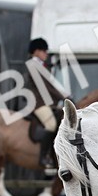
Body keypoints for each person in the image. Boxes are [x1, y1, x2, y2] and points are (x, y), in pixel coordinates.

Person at [23, 37, 64, 170]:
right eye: (43, 51)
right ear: (36, 51)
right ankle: (43, 156)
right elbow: (46, 86)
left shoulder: (40, 65)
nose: (46, 53)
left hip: (45, 102)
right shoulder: (33, 65)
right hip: (37, 103)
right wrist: (65, 96)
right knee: (51, 124)